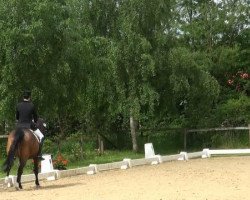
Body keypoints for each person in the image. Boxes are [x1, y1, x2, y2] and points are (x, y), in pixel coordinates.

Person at [16, 89, 44, 161]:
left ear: (23, 97)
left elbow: (17, 117)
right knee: (41, 136)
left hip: (19, 126)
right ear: (29, 97)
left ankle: (13, 154)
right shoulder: (32, 105)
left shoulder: (18, 105)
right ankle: (39, 155)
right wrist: (35, 122)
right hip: (29, 125)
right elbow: (35, 118)